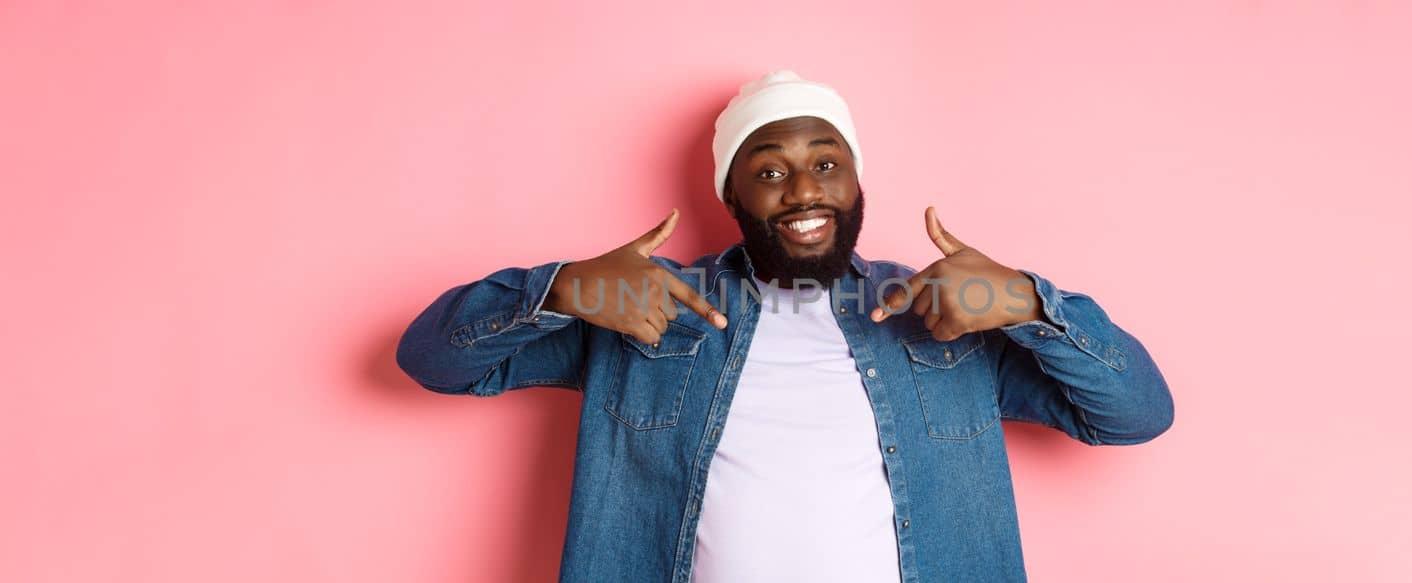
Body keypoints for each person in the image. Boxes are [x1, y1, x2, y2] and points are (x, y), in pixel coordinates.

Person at [396, 70, 1174, 583]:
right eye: (768, 170)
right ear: (732, 194)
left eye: (827, 163)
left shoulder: (942, 307)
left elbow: (1138, 414)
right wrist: (563, 287)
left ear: (858, 178)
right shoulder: (644, 303)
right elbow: (430, 359)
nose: (804, 189)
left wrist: (1033, 308)